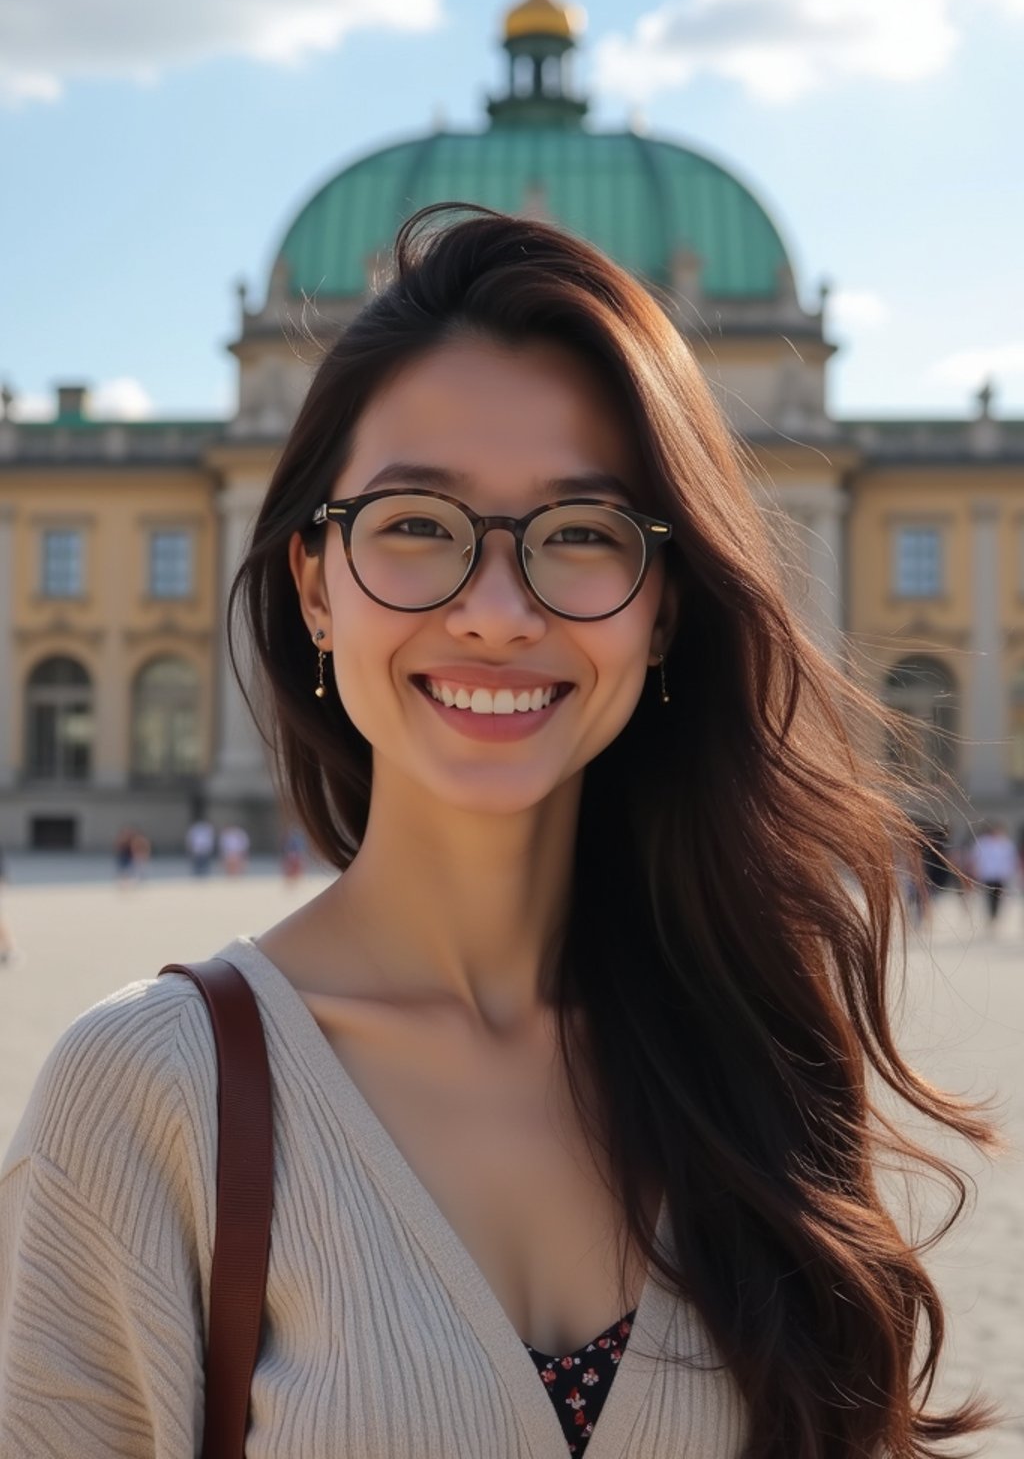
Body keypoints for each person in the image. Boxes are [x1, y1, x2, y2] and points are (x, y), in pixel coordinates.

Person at [0, 206, 1000, 1458]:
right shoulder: (145, 1094)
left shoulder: (762, 1048)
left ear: (664, 605)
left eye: (579, 534)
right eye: (417, 523)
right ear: (314, 583)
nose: (494, 609)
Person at [968, 819, 1018, 926]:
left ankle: (995, 915)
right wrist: (975, 870)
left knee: (999, 896)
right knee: (989, 896)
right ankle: (990, 915)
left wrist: (1011, 872)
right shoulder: (983, 842)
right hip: (987, 874)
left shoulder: (1006, 843)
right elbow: (975, 857)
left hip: (1001, 875)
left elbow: (1011, 859)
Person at [184, 813, 216, 877]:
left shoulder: (207, 828)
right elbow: (191, 839)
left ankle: (203, 876)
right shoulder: (195, 828)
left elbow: (210, 838)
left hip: (203, 849)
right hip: (198, 849)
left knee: (204, 864)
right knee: (197, 865)